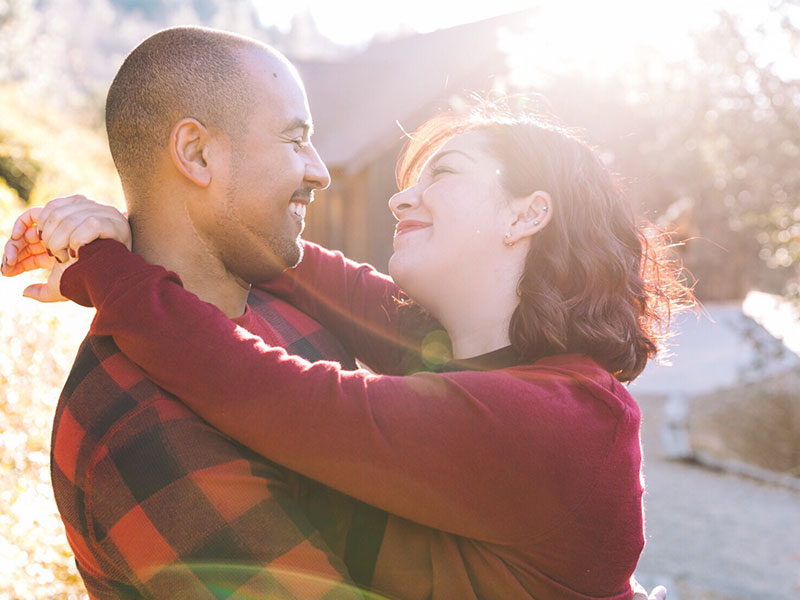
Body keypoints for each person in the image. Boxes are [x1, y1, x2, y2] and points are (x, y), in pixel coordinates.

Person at [4, 99, 687, 598]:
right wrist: (136, 231)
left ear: (526, 214)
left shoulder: (562, 422)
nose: (400, 201)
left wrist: (108, 266)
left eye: (440, 175)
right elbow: (303, 269)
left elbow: (269, 392)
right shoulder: (463, 352)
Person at [0, 25, 378, 599]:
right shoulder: (137, 428)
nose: (320, 170)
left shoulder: (292, 310)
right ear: (197, 154)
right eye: (294, 140)